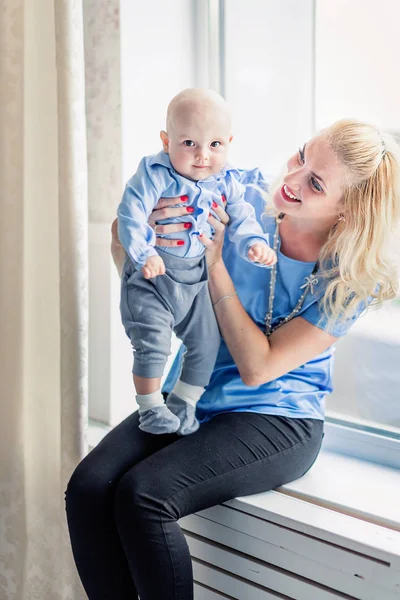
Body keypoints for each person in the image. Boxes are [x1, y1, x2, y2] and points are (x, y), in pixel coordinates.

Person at [66, 119, 400, 600]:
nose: (293, 178)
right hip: (194, 392)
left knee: (143, 497)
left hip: (276, 418)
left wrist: (217, 263)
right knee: (89, 487)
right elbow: (161, 285)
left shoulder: (348, 280)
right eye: (301, 156)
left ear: (347, 210)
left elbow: (258, 368)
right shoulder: (241, 200)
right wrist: (136, 237)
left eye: (316, 182)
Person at [117, 88, 275, 435]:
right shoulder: (156, 173)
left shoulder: (227, 181)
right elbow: (131, 214)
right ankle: (151, 408)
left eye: (215, 145)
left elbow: (243, 215)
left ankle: (183, 404)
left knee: (206, 342)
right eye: (189, 143)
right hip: (152, 278)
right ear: (166, 141)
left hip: (196, 282)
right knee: (152, 341)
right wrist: (145, 253)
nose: (203, 155)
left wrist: (254, 242)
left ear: (229, 142)